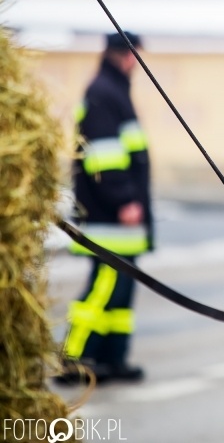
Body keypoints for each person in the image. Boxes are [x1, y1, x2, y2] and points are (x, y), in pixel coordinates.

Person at [56, 31, 152, 385]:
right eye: (136, 55)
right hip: (109, 218)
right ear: (126, 55)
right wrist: (124, 199)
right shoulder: (104, 93)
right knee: (103, 289)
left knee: (120, 294)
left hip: (118, 223)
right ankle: (74, 359)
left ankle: (113, 358)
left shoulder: (113, 91)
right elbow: (105, 155)